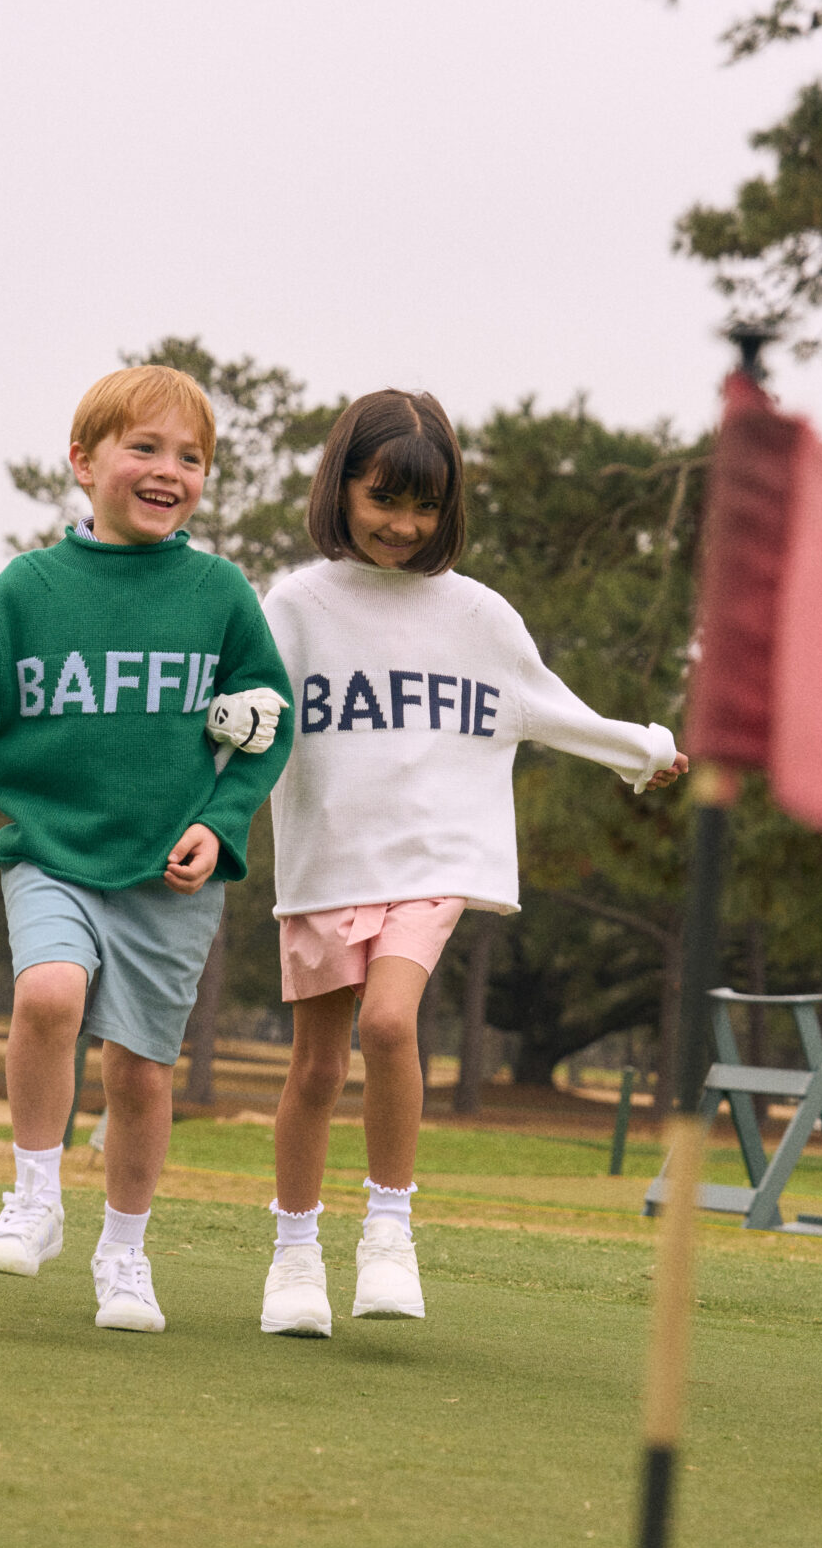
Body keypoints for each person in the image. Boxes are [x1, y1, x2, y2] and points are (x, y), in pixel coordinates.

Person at [0, 364, 291, 1333]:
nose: (169, 469)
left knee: (137, 1072)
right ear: (85, 464)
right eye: (144, 448)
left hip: (170, 876)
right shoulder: (30, 588)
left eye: (192, 457)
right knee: (48, 994)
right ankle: (35, 1199)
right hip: (49, 849)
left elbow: (269, 723)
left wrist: (220, 826)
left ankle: (124, 1257)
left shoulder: (220, 593)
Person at [255, 390, 685, 1337]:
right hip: (329, 863)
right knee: (316, 1069)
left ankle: (390, 1233)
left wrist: (640, 749)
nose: (403, 526)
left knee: (392, 1020)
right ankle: (293, 1257)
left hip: (433, 859)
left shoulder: (479, 615)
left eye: (425, 508)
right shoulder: (294, 605)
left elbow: (545, 704)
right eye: (383, 500)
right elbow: (246, 718)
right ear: (342, 486)